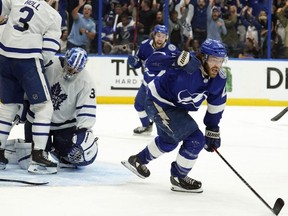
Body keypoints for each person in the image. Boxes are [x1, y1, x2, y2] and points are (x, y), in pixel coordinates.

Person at [122, 39, 228, 193]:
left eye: (220, 60)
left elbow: (217, 103)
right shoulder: (186, 64)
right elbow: (152, 63)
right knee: (195, 139)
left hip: (175, 107)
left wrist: (212, 127)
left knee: (169, 141)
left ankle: (137, 161)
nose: (217, 65)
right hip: (158, 102)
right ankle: (179, 177)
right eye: (213, 59)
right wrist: (175, 61)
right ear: (203, 57)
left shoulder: (219, 79)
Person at [0, 0, 62, 174]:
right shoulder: (53, 15)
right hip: (27, 59)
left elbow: (2, 12)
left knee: (7, 107)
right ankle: (38, 156)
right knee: (43, 106)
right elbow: (48, 52)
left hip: (4, 55)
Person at [23, 47, 98, 169]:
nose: (71, 72)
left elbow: (86, 110)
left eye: (76, 70)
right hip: (37, 121)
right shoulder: (49, 64)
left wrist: (82, 132)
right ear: (65, 58)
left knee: (72, 158)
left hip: (65, 126)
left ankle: (58, 150)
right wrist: (24, 103)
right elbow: (30, 83)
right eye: (69, 67)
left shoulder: (86, 82)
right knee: (30, 159)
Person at [127, 24, 179, 136]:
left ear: (166, 38)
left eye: (163, 36)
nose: (160, 38)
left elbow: (178, 68)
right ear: (154, 35)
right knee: (139, 105)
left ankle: (170, 130)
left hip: (162, 87)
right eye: (158, 35)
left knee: (163, 111)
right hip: (147, 83)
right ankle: (146, 126)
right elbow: (139, 62)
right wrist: (134, 63)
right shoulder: (145, 45)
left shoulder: (172, 50)